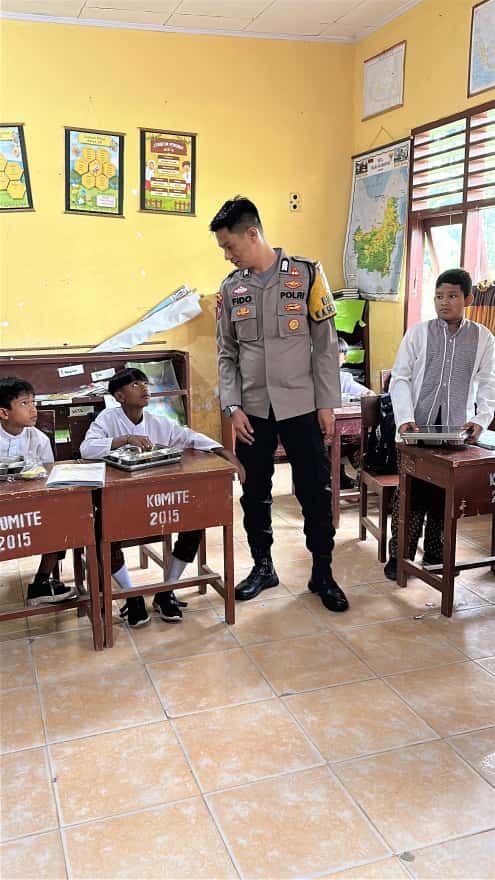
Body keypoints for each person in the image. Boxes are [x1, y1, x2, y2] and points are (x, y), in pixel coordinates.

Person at [211, 196, 348, 613]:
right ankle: (263, 567)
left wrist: (327, 404)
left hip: (301, 406)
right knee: (254, 493)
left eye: (230, 246)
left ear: (252, 234)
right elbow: (226, 353)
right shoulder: (231, 288)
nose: (228, 255)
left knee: (314, 490)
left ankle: (322, 571)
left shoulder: (307, 274)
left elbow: (326, 347)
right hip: (252, 410)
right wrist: (231, 406)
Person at [80, 368, 245, 627]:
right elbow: (87, 448)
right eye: (136, 385)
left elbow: (189, 436)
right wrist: (123, 439)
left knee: (195, 522)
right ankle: (131, 595)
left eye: (145, 383)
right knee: (105, 531)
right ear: (119, 396)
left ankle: (167, 589)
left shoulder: (159, 422)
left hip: (158, 498)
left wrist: (223, 451)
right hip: (123, 501)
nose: (145, 388)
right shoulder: (107, 419)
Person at [384, 268, 495, 581]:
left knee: (444, 497)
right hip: (414, 432)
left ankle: (435, 556)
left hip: (456, 433)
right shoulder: (419, 333)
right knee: (410, 496)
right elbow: (401, 377)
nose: (444, 302)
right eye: (439, 296)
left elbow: (488, 383)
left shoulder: (483, 338)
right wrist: (405, 418)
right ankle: (400, 556)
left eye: (452, 296)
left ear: (468, 299)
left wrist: (480, 419)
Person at [0, 377, 76, 606]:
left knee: (64, 519)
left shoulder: (38, 438)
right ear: (3, 412)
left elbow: (48, 478)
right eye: (24, 403)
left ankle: (42, 583)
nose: (33, 409)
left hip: (30, 504)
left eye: (34, 402)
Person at [338, 336, 373, 488]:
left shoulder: (344, 378)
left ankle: (359, 482)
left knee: (366, 439)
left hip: (344, 432)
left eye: (336, 355)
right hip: (322, 431)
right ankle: (338, 478)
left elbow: (369, 395)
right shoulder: (313, 378)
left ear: (344, 357)